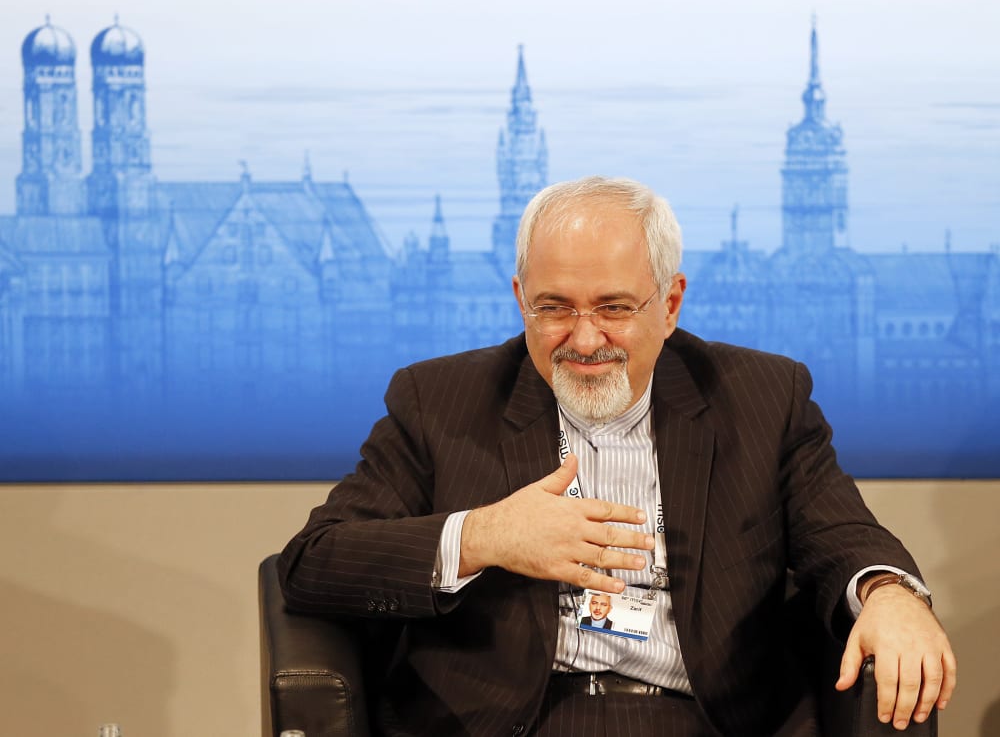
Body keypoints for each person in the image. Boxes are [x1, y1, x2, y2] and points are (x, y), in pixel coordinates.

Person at [279, 176, 956, 736]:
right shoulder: (439, 400)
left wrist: (889, 593)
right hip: (507, 720)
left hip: (702, 716)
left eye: (613, 307)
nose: (584, 339)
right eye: (554, 308)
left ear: (670, 303)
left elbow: (842, 533)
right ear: (520, 300)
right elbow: (312, 563)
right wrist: (486, 535)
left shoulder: (763, 397)